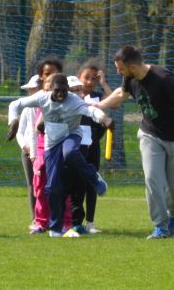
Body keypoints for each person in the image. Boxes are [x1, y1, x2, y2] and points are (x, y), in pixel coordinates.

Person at [94, 46, 174, 239]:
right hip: (150, 135)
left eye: (121, 69)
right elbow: (120, 95)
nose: (119, 72)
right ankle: (161, 225)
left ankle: (172, 215)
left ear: (132, 66)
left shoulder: (164, 79)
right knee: (152, 178)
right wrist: (98, 105)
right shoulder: (130, 79)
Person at [6, 73, 112, 237]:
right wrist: (13, 121)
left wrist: (105, 119)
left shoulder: (74, 101)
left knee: (69, 152)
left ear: (68, 90)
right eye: (57, 91)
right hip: (52, 143)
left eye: (64, 90)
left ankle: (93, 176)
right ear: (51, 90)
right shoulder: (43, 98)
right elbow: (15, 104)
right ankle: (55, 228)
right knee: (52, 187)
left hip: (71, 135)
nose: (61, 94)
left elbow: (91, 111)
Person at [17, 58, 64, 231]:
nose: (51, 78)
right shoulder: (36, 101)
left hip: (58, 149)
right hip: (39, 150)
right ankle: (39, 221)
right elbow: (28, 126)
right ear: (41, 78)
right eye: (47, 74)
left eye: (54, 74)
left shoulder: (67, 99)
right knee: (37, 186)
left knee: (59, 186)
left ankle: (63, 222)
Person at [70, 63, 111, 234]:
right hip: (77, 145)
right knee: (76, 182)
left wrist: (103, 83)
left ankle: (90, 222)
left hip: (93, 145)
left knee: (92, 181)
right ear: (78, 77)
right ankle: (74, 221)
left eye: (94, 78)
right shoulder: (71, 97)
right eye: (86, 77)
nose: (89, 81)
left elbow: (114, 102)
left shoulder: (97, 96)